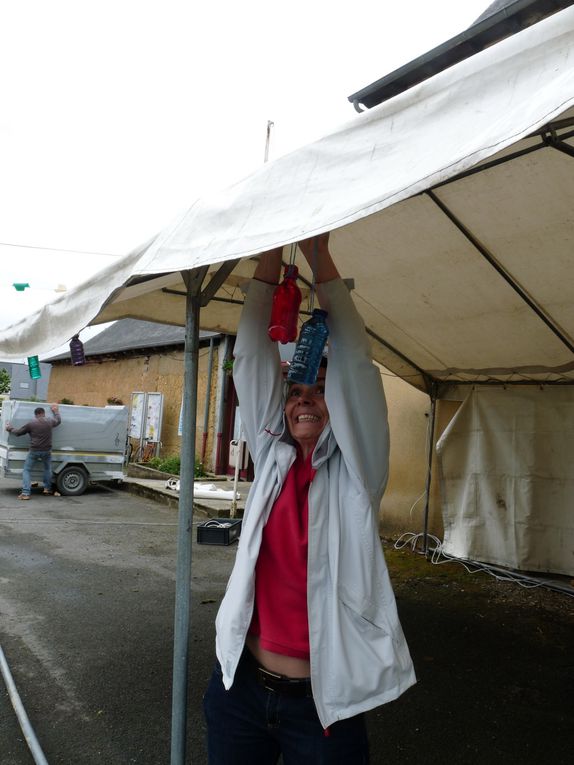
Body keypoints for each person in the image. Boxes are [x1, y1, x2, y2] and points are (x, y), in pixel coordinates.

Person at [203, 233, 416, 764]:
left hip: (322, 707)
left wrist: (318, 251)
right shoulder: (272, 454)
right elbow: (250, 356)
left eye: (320, 389)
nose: (304, 400)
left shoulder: (357, 471)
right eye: (296, 391)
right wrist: (273, 247)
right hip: (240, 689)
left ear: (337, 401)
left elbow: (357, 364)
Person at [5, 404, 62, 499]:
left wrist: (9, 428)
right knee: (47, 469)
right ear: (43, 413)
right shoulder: (50, 421)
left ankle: (26, 493)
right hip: (47, 451)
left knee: (27, 470)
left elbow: (18, 433)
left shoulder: (31, 423)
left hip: (34, 450)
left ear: (35, 415)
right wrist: (55, 411)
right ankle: (47, 489)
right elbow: (58, 421)